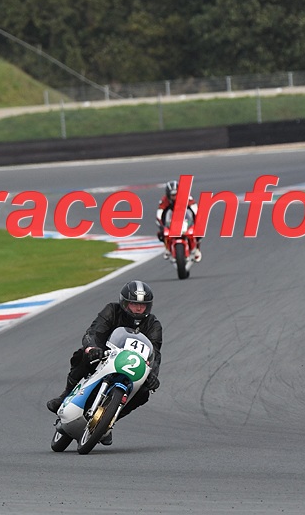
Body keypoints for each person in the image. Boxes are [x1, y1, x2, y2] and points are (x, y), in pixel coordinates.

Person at [45, 280, 162, 446]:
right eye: (134, 304)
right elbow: (93, 331)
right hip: (104, 355)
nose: (138, 309)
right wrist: (92, 348)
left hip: (133, 367)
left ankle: (109, 421)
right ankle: (66, 394)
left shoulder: (153, 325)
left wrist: (153, 375)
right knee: (81, 355)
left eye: (142, 306)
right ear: (124, 303)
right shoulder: (112, 310)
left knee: (144, 393)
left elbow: (155, 353)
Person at [155, 179, 202, 262]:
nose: (175, 197)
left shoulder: (187, 198)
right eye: (172, 195)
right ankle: (167, 248)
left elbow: (195, 210)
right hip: (170, 218)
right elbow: (159, 213)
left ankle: (197, 249)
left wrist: (197, 221)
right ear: (168, 195)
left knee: (199, 230)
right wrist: (161, 225)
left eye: (176, 194)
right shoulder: (164, 201)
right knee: (161, 233)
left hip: (185, 216)